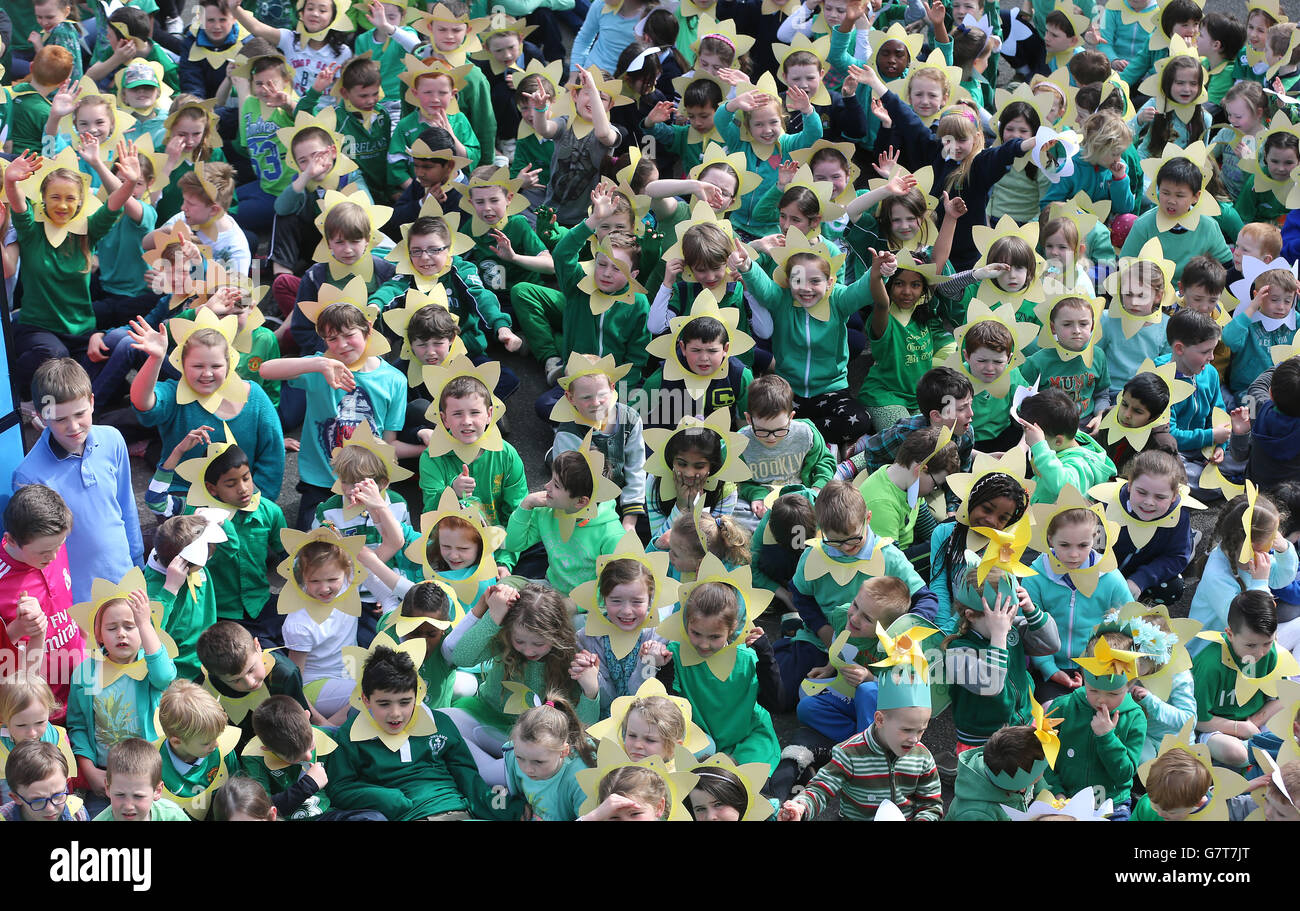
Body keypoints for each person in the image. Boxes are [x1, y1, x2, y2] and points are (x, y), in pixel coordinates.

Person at [327, 643, 519, 820]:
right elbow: (339, 788)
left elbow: (470, 779)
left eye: (404, 702)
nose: (396, 714)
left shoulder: (440, 723)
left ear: (417, 696)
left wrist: (509, 809)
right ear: (366, 699)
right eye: (384, 703)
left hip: (461, 811)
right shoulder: (350, 734)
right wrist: (385, 798)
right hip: (414, 815)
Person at [13, 358, 143, 603]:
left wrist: (138, 562)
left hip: (126, 583)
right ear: (42, 416)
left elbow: (126, 504)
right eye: (60, 419)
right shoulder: (28, 476)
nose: (73, 426)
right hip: (76, 602)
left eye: (80, 413)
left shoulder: (113, 440)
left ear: (92, 402)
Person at [778, 639, 942, 820]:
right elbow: (822, 787)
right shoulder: (850, 753)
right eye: (907, 730)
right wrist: (801, 807)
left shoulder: (922, 757)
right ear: (879, 720)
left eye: (921, 730)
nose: (915, 739)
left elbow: (931, 804)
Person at [67, 575, 177, 811]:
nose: (121, 634)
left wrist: (145, 623)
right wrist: (88, 770)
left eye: (130, 626)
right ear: (99, 635)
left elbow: (165, 676)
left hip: (148, 775)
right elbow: (76, 726)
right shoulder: (86, 672)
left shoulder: (150, 666)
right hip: (105, 776)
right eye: (112, 628)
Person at [0, 485, 86, 722]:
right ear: (11, 540)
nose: (55, 556)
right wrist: (17, 630)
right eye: (45, 552)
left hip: (83, 692)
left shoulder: (51, 544)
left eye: (60, 545)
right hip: (38, 714)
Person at [1042, 628, 1148, 820]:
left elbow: (1124, 774)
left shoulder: (1134, 718)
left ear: (1130, 685)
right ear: (1083, 676)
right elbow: (1043, 757)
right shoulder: (1063, 707)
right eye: (1093, 690)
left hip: (1111, 804)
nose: (1101, 700)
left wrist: (1107, 738)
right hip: (1065, 799)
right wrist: (1055, 790)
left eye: (1113, 693)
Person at [242, 694, 385, 820]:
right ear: (267, 748)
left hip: (325, 815)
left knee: (374, 818)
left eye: (310, 746)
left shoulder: (326, 736)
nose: (308, 757)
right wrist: (308, 785)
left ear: (307, 716)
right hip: (285, 817)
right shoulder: (254, 757)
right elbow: (261, 811)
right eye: (295, 758)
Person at [1193, 590, 1293, 769]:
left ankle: (1262, 756)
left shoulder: (1272, 654)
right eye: (1250, 645)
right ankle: (1260, 758)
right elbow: (1198, 719)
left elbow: (1282, 700)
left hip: (1256, 723)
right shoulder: (1210, 664)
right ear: (1230, 634)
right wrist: (1239, 728)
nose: (1260, 653)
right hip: (1216, 730)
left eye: (1267, 643)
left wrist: (1254, 721)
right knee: (1235, 752)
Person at [502, 694, 596, 821]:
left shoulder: (581, 779)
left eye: (538, 762)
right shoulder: (518, 753)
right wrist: (518, 804)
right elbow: (510, 792)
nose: (527, 769)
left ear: (563, 751)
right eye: (520, 758)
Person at [155, 679, 240, 819]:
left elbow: (236, 798)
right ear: (176, 742)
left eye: (217, 737)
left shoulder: (224, 752)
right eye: (207, 743)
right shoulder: (151, 763)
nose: (216, 744)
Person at [946, 724, 1049, 821]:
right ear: (1022, 786)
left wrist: (1051, 804)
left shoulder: (1020, 771)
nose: (1043, 773)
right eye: (1040, 772)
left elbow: (1040, 787)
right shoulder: (976, 813)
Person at [92, 738, 188, 821]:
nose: (128, 806)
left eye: (138, 796)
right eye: (120, 795)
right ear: (108, 788)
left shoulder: (172, 816)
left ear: (157, 791)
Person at [0, 740, 89, 821]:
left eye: (57, 795)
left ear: (66, 784)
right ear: (16, 798)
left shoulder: (77, 813)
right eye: (38, 800)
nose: (50, 808)